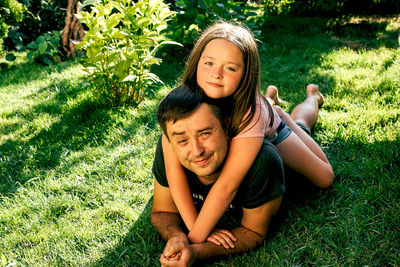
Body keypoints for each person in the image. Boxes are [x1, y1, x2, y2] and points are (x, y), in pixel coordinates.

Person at [161, 20, 334, 244]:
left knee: (324, 177)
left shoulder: (251, 114)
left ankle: (301, 104)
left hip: (273, 131)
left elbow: (227, 186)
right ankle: (271, 102)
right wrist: (197, 230)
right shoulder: (182, 103)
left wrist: (194, 241)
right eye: (209, 63)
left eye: (230, 68)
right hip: (253, 121)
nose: (216, 74)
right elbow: (175, 178)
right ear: (196, 63)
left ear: (246, 74)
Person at [151, 84, 285, 266]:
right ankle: (270, 99)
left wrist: (197, 251)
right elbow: (162, 211)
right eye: (182, 140)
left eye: (205, 133)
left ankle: (305, 101)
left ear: (226, 126)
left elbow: (254, 232)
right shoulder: (169, 151)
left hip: (278, 136)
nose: (197, 151)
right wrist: (177, 236)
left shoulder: (262, 160)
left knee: (302, 123)